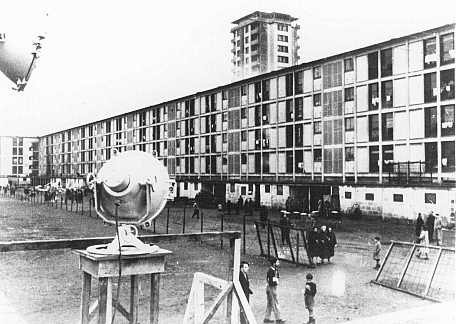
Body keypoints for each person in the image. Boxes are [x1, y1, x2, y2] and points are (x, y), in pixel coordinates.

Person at [264, 257, 285, 323]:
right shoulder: (271, 271)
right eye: (277, 262)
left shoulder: (274, 270)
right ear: (274, 263)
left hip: (272, 288)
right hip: (271, 288)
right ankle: (278, 319)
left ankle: (266, 318)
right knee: (275, 303)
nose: (278, 263)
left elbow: (276, 277)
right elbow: (271, 281)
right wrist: (276, 281)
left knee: (270, 303)